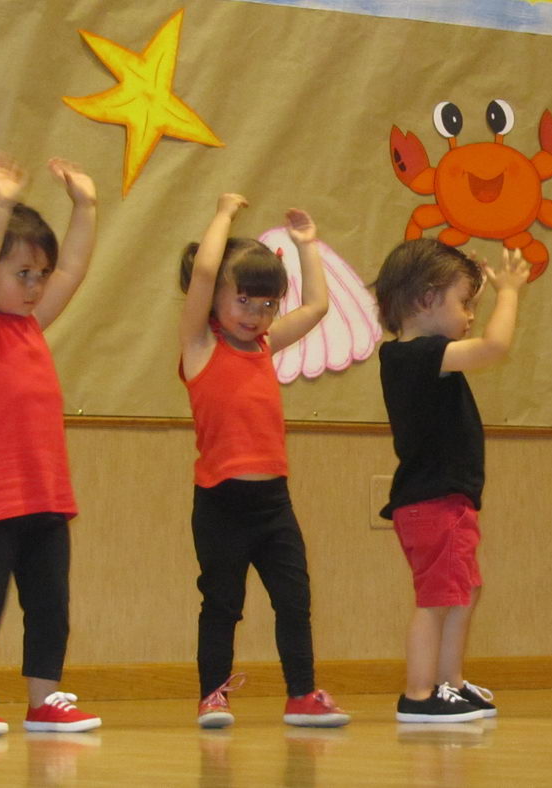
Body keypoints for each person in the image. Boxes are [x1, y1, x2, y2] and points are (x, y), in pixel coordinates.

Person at [0, 152, 101, 736]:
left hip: (47, 497)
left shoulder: (31, 326)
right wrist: (1, 202)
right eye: (23, 274)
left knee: (50, 606)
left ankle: (44, 699)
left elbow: (76, 268)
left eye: (39, 275)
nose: (35, 286)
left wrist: (85, 206)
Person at [179, 193, 349, 728]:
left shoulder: (265, 347)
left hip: (273, 503)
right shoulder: (200, 346)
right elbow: (207, 270)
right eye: (244, 302)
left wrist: (307, 246)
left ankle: (301, 694)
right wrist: (223, 214)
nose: (257, 315)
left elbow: (318, 307)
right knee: (223, 605)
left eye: (267, 305)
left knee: (294, 600)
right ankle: (213, 696)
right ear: (213, 303)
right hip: (221, 503)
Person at [372, 239, 530, 723]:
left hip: (447, 502)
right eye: (465, 304)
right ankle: (418, 695)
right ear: (426, 298)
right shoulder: (414, 355)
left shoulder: (425, 357)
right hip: (433, 502)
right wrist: (509, 292)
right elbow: (495, 346)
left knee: (463, 590)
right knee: (438, 598)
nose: (469, 318)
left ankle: (449, 684)